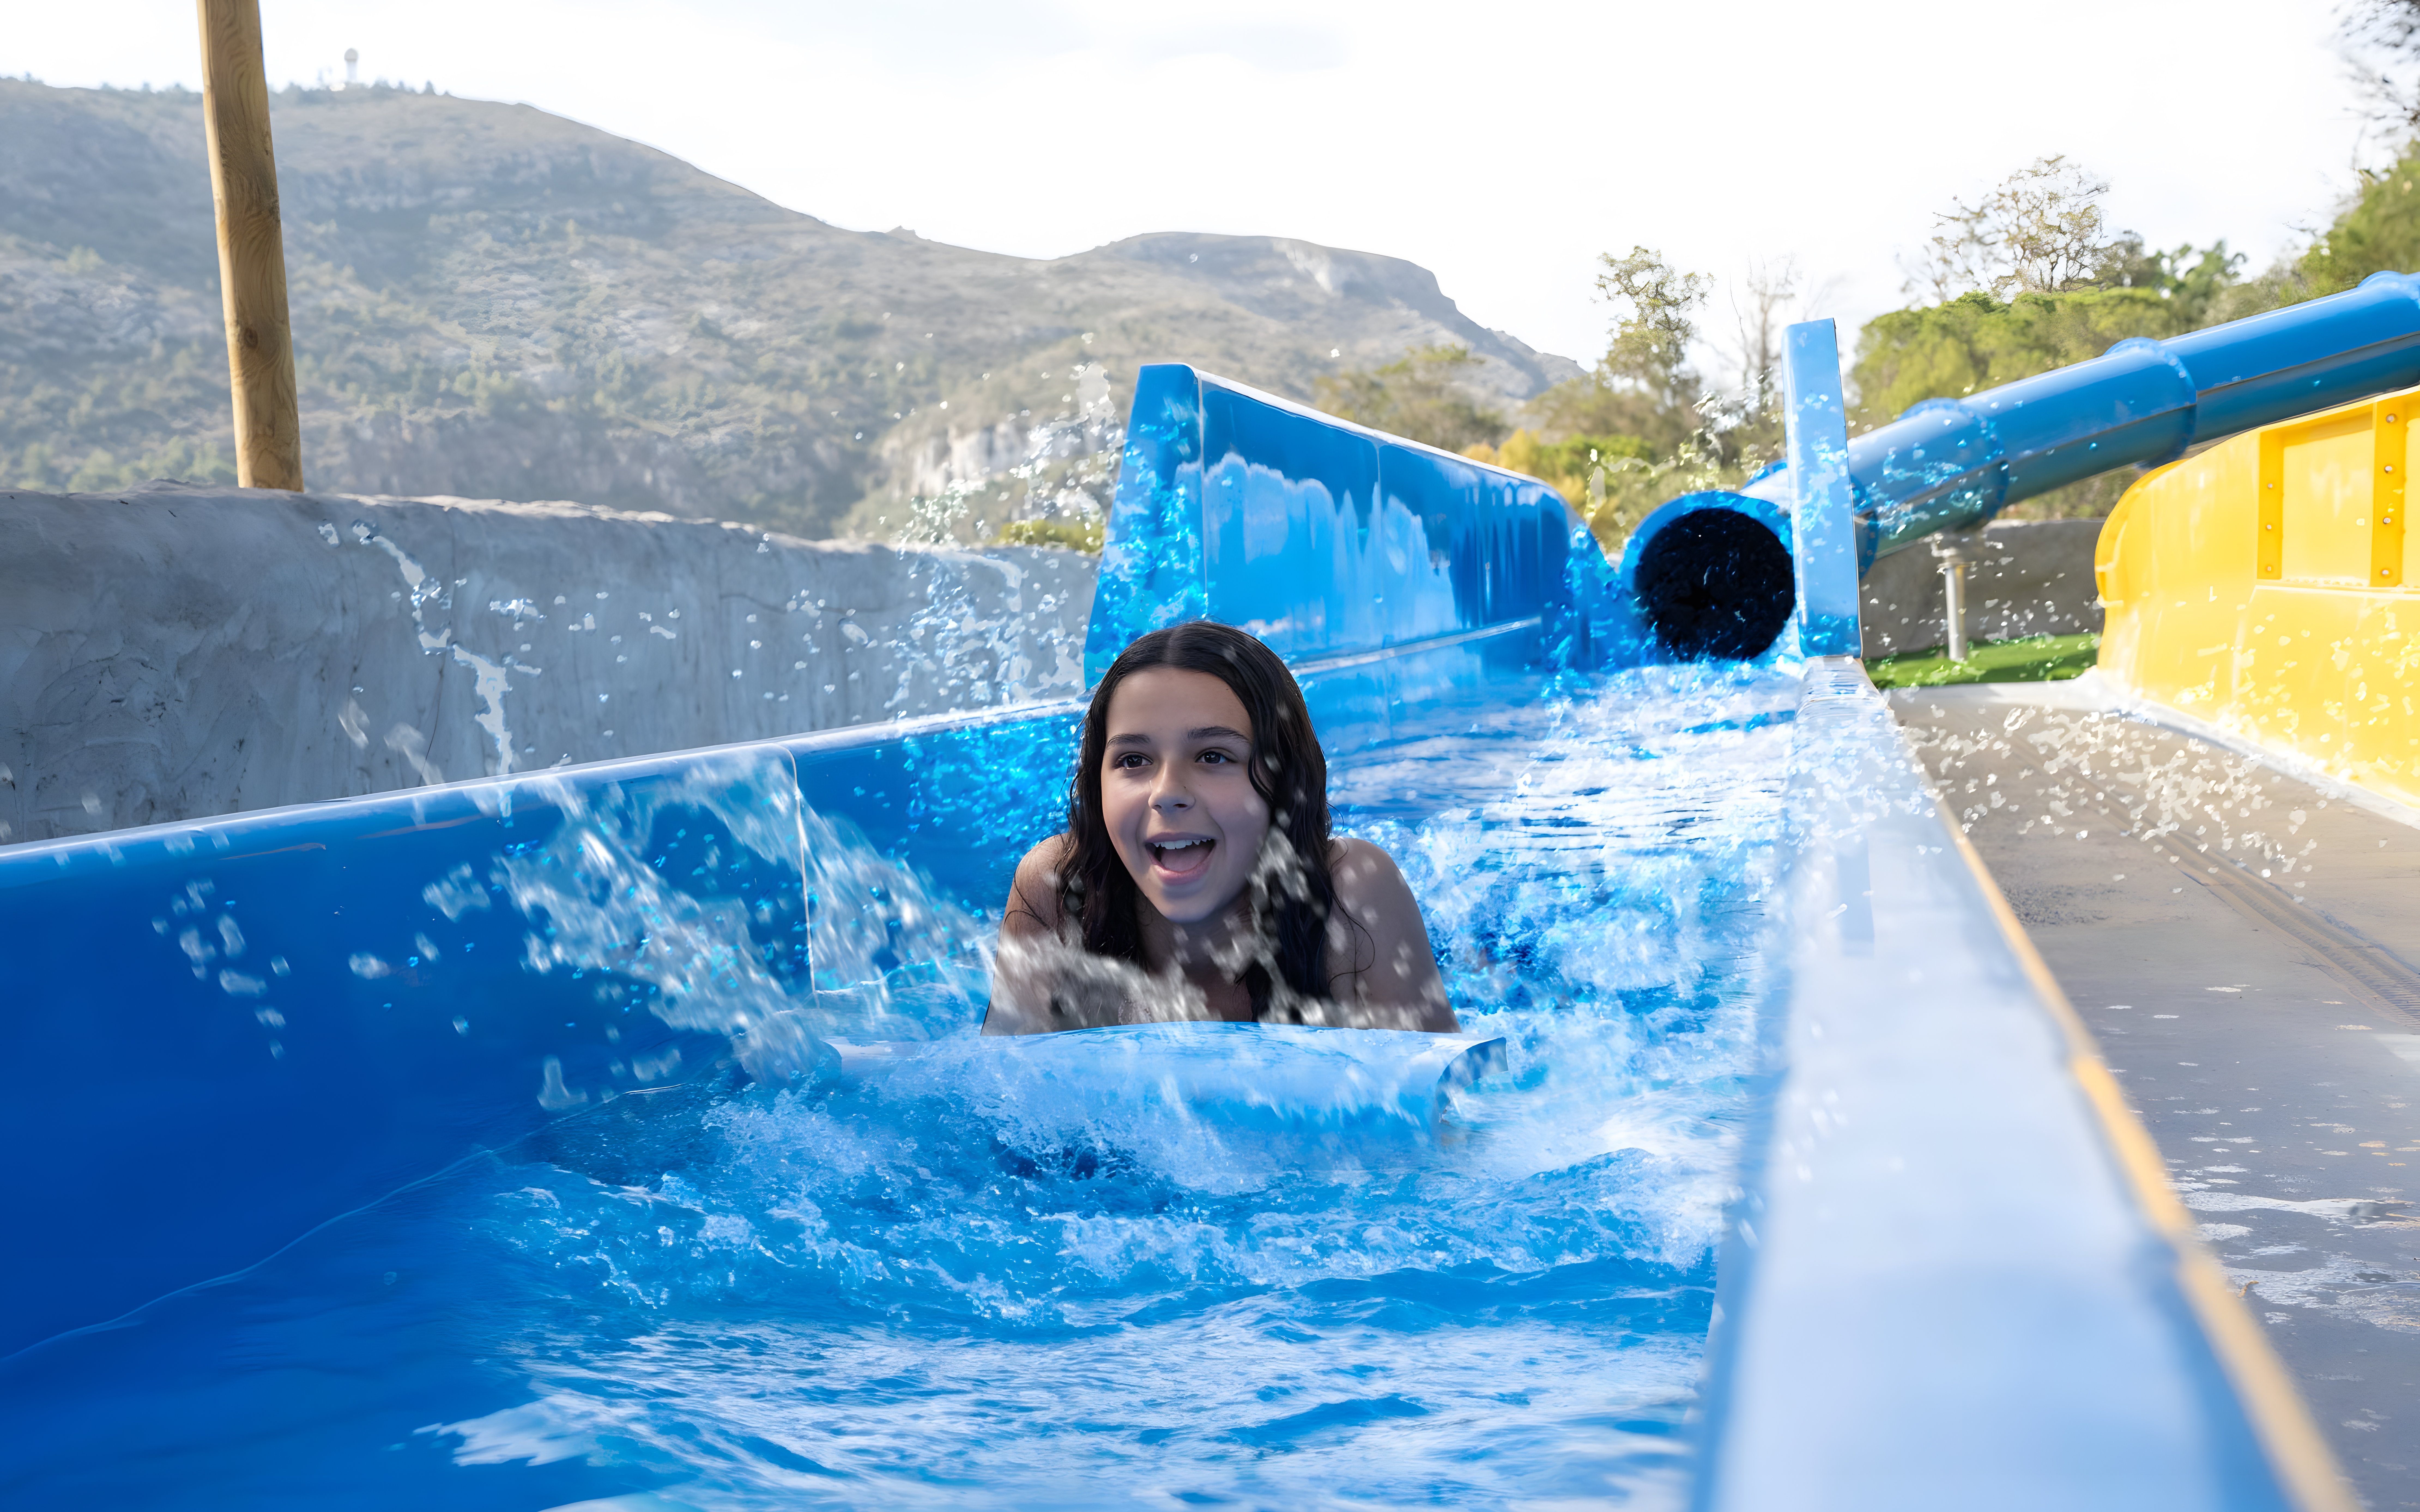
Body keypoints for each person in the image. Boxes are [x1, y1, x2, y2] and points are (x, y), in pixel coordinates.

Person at [984, 620, 1458, 1035]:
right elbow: (1000, 1109)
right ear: (1097, 783)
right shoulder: (1060, 890)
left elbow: (1452, 1115)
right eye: (1133, 760)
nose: (1166, 792)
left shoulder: (1351, 896)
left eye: (1214, 756)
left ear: (1285, 782)